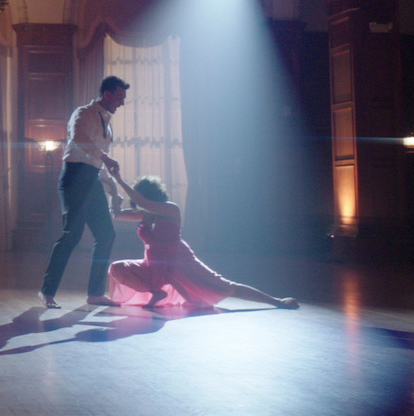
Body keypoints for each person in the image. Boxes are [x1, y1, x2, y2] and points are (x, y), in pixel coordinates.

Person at [107, 172, 299, 310]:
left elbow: (142, 202)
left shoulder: (170, 209)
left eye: (141, 196)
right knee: (118, 267)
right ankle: (156, 291)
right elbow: (116, 214)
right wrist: (113, 188)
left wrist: (118, 178)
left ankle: (277, 301)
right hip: (155, 266)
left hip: (179, 263)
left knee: (226, 287)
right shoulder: (145, 214)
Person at [38, 76, 129, 309]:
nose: (121, 103)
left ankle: (96, 294)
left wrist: (112, 190)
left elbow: (100, 164)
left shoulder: (108, 124)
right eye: (119, 97)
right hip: (74, 177)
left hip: (92, 179)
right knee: (72, 234)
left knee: (106, 234)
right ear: (107, 94)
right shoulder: (83, 113)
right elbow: (78, 138)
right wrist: (106, 158)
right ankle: (47, 291)